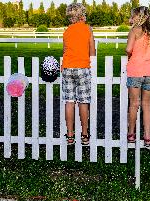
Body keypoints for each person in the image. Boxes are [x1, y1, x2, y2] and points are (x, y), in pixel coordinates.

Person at [126, 6, 150, 147]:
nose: (132, 18)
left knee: (134, 104)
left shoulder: (134, 31)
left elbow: (128, 49)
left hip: (135, 71)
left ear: (139, 17)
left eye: (133, 15)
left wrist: (131, 55)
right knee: (147, 105)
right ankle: (147, 136)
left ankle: (131, 134)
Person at [61, 3, 96, 145]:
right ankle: (84, 134)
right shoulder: (87, 29)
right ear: (82, 15)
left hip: (68, 68)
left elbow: (64, 51)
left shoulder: (67, 31)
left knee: (69, 101)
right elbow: (92, 51)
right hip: (82, 67)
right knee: (83, 101)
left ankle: (70, 135)